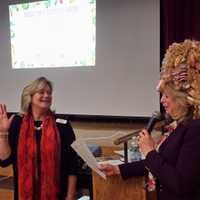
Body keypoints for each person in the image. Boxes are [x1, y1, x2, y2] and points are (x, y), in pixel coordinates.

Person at [99, 39, 200, 200]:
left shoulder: (195, 129)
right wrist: (119, 170)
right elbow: (161, 162)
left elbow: (181, 184)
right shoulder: (181, 126)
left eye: (167, 96)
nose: (162, 101)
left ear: (181, 99)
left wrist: (149, 151)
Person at [0, 77, 78, 200]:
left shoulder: (63, 125)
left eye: (49, 93)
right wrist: (3, 133)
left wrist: (70, 195)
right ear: (30, 96)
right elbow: (4, 161)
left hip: (57, 195)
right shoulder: (16, 123)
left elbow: (72, 165)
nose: (46, 95)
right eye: (41, 92)